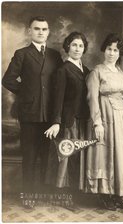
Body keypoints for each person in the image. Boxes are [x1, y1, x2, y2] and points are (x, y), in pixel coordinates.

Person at [2, 16, 62, 208]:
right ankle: (28, 196)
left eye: (44, 29)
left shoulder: (55, 55)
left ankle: (43, 193)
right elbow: (8, 80)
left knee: (46, 156)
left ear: (48, 31)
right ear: (29, 31)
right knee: (29, 156)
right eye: (36, 29)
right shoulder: (22, 54)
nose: (40, 32)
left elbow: (59, 84)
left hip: (50, 115)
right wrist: (28, 93)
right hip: (29, 113)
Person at [86, 33, 123, 211]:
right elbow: (92, 99)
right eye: (109, 49)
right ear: (104, 50)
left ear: (119, 53)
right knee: (105, 154)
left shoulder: (122, 74)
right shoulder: (97, 71)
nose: (111, 53)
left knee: (120, 155)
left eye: (115, 50)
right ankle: (104, 195)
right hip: (105, 118)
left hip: (121, 118)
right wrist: (97, 122)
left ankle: (118, 195)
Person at [44, 31, 91, 207]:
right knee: (65, 155)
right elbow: (58, 98)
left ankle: (75, 194)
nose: (78, 49)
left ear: (84, 48)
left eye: (81, 45)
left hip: (82, 121)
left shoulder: (85, 70)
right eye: (74, 45)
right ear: (67, 48)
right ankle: (62, 196)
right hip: (68, 121)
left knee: (77, 157)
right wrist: (56, 122)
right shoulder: (63, 70)